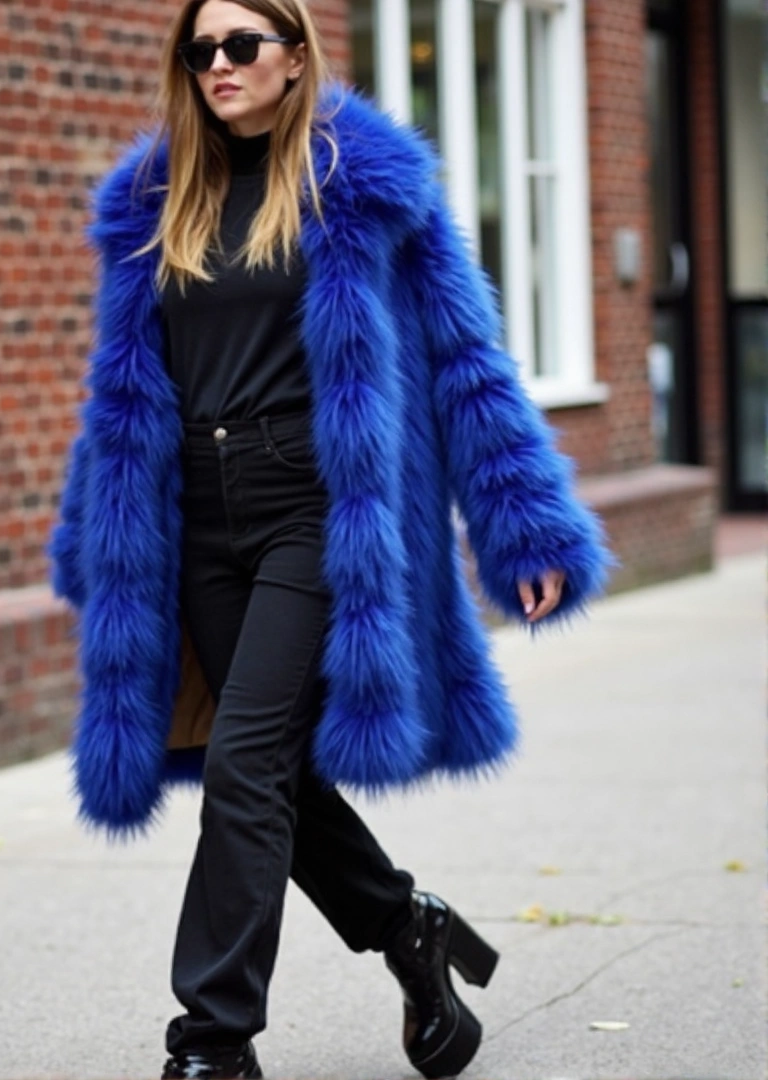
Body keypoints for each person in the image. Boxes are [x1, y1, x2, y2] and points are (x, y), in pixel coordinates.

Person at [46, 0, 613, 1076]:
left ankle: (212, 1041)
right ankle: (409, 927)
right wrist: (95, 533)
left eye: (241, 44)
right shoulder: (152, 200)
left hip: (319, 507)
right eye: (199, 50)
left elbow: (467, 362)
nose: (219, 65)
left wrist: (527, 520)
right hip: (196, 515)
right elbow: (122, 391)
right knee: (268, 770)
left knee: (244, 762)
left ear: (296, 56)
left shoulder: (368, 188)